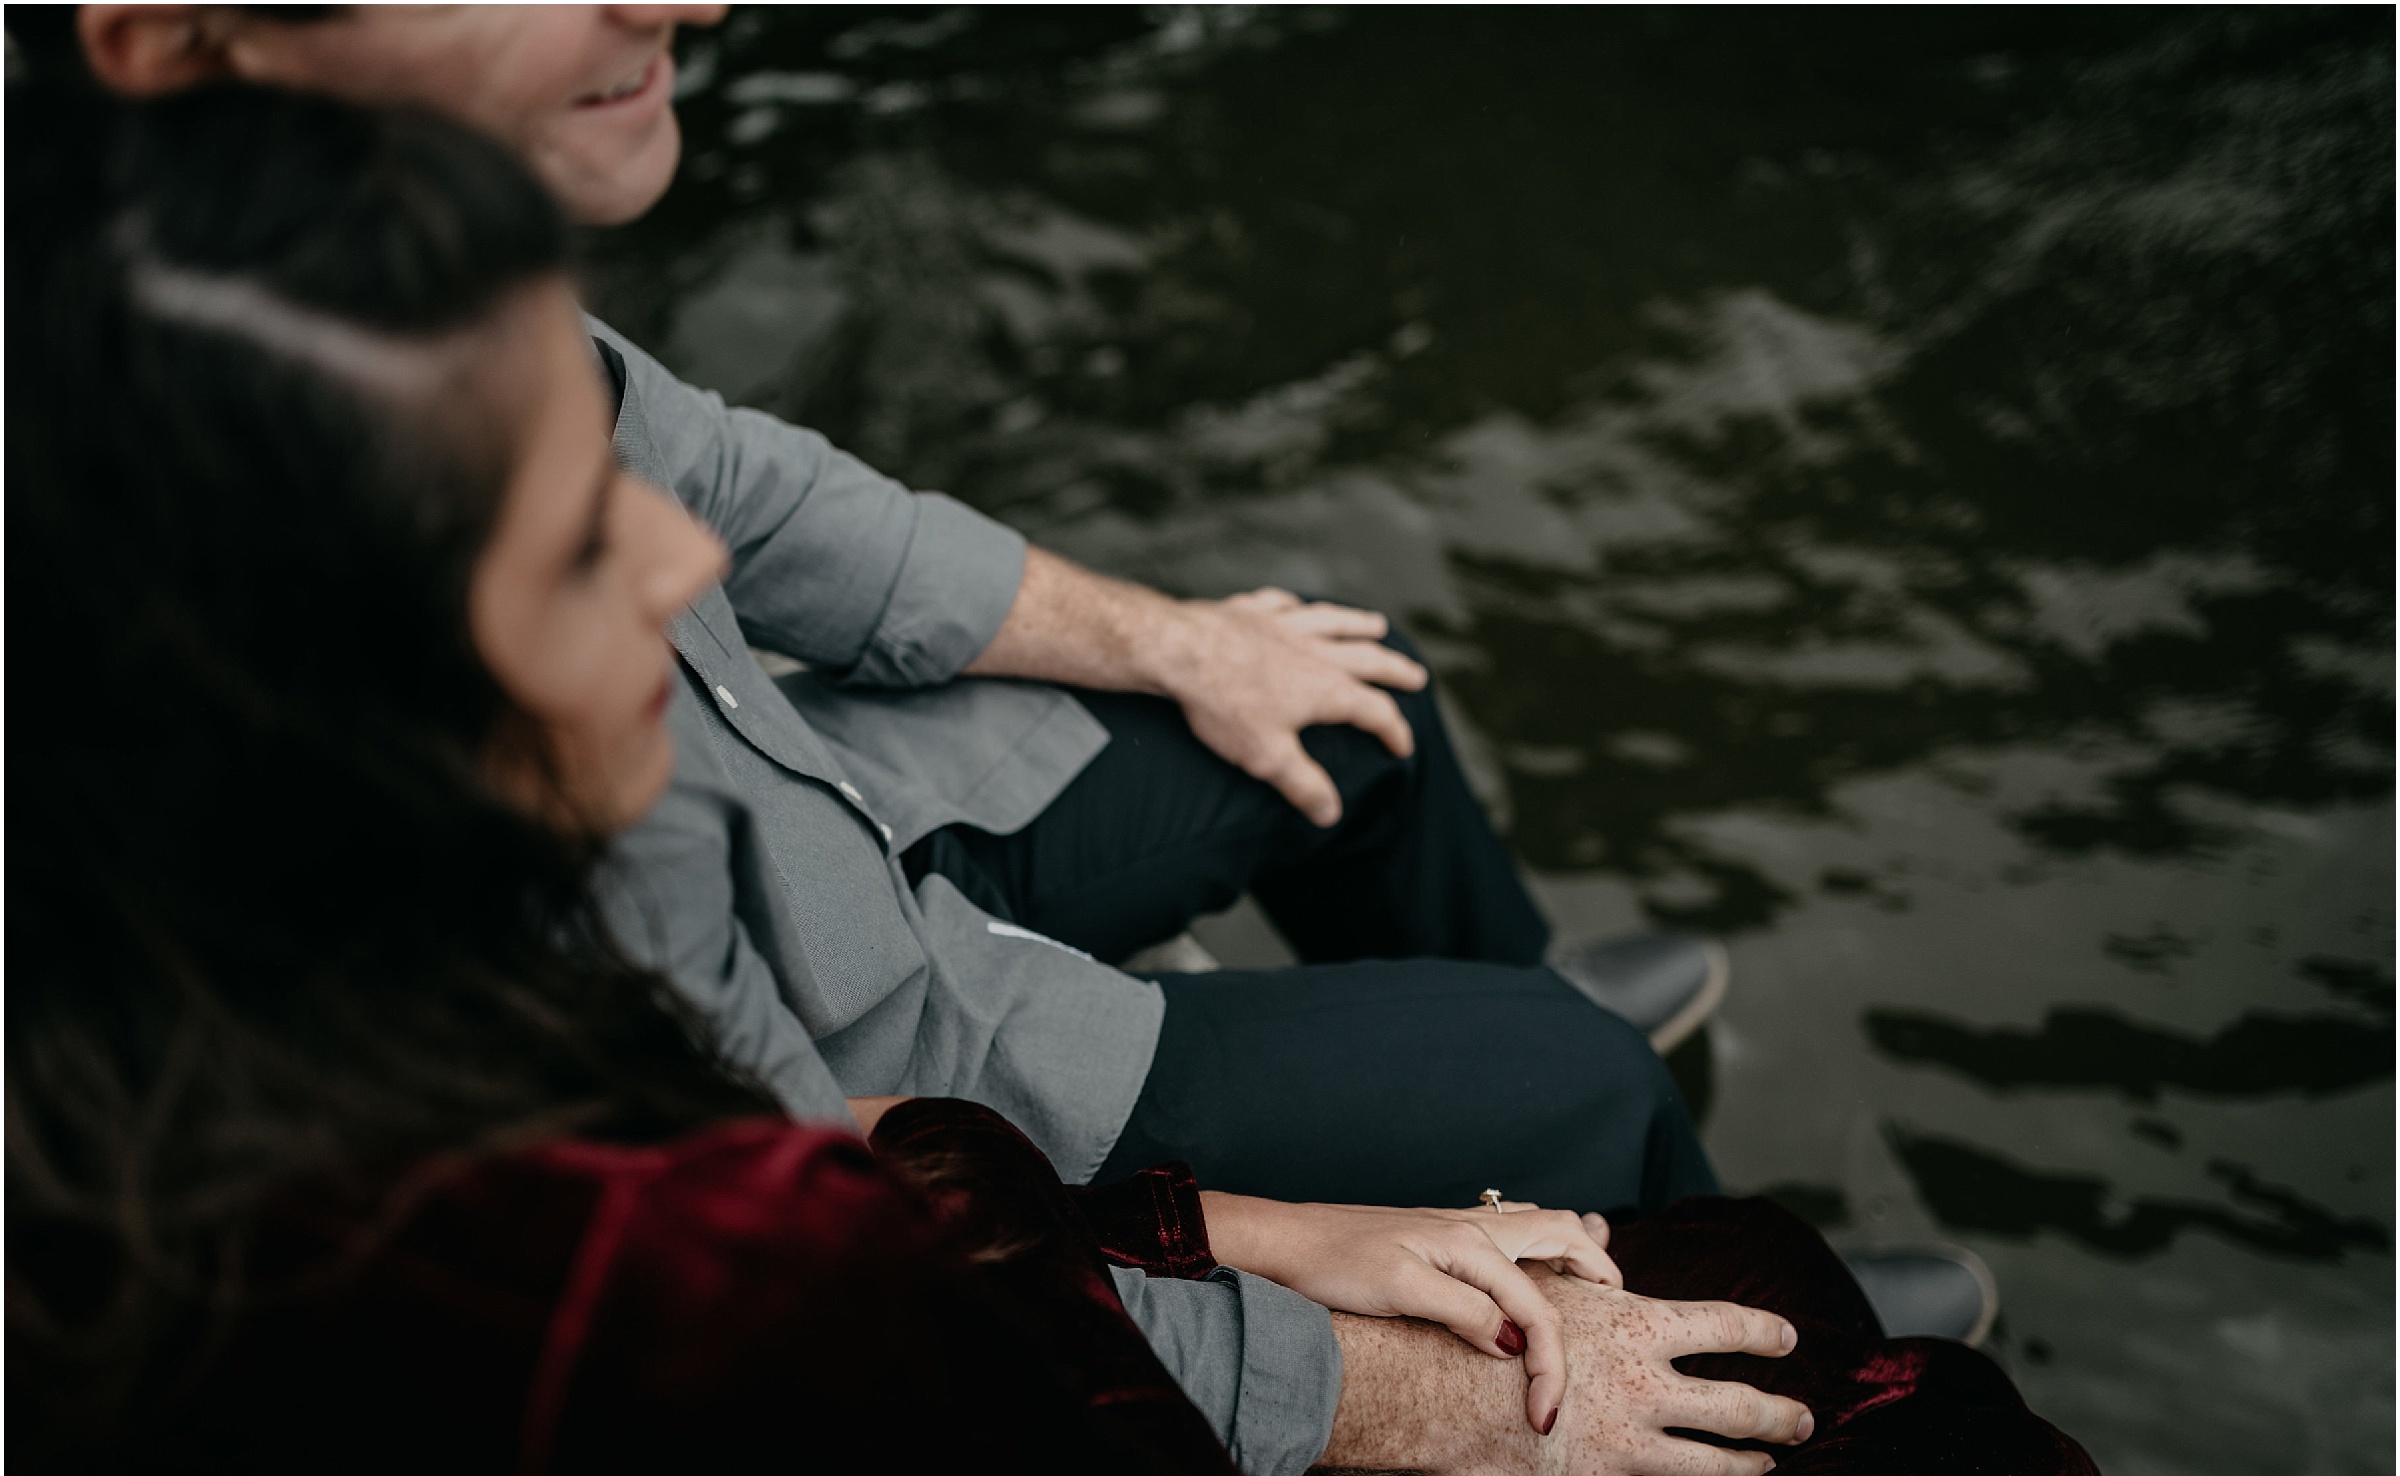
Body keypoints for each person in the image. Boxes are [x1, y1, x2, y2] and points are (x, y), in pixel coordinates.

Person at [12, 78, 2217, 1476]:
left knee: (1359, 710)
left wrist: (1261, 1212)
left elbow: (850, 1170)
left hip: (881, 905)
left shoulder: (281, 954)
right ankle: (1615, 1152)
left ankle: (1585, 1141)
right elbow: (913, 1326)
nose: (682, 573)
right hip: (965, 1161)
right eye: (582, 551)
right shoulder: (596, 1274)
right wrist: (1366, 1361)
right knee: (1858, 1398)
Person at [64, 1, 1732, 1240]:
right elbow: (771, 1190)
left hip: (836, 827)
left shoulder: (361, 263)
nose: (688, 9)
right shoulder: (242, 551)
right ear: (168, 39)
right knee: (1573, 1080)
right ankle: (1713, 1279)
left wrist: (1178, 642)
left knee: (1350, 693)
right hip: (872, 1049)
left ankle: (1485, 1050)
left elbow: (743, 488)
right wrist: (1290, 1268)